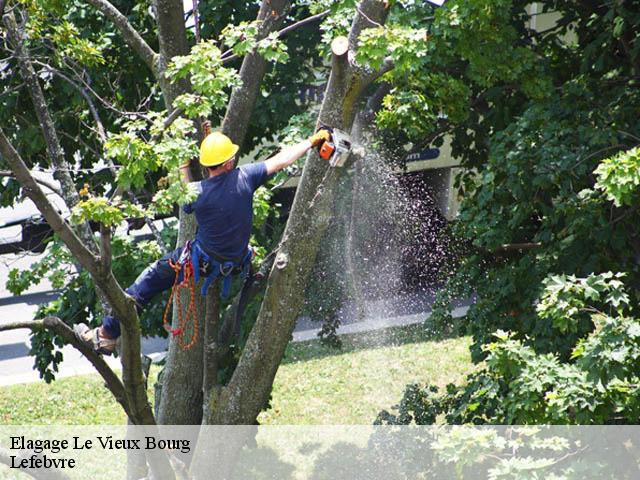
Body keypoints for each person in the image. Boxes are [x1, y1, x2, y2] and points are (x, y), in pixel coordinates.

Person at [74, 128, 331, 355]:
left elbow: (186, 190)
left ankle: (106, 335)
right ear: (229, 161)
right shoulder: (247, 177)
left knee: (149, 280)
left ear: (206, 165)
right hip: (236, 264)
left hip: (203, 263)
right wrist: (311, 141)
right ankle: (108, 334)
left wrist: (182, 163)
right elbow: (281, 160)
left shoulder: (198, 193)